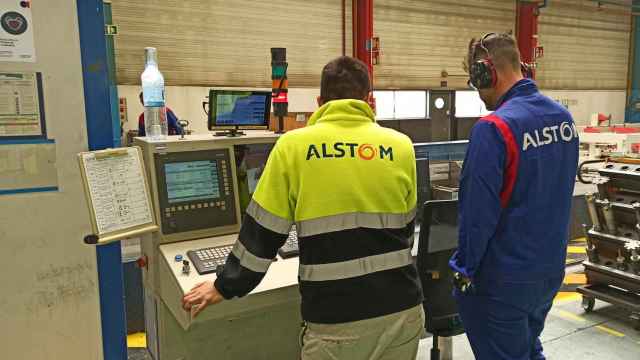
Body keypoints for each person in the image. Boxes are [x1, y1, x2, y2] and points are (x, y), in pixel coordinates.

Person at [182, 56, 424, 360]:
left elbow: (262, 234)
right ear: (369, 100)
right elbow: (404, 228)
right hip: (402, 310)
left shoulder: (293, 147)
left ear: (320, 101)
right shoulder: (401, 146)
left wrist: (224, 285)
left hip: (336, 320)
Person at [449, 33, 579, 360]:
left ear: (484, 73)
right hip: (547, 274)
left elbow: (477, 217)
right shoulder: (563, 120)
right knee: (525, 348)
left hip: (501, 283)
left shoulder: (493, 128)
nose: (478, 93)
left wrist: (462, 271)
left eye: (474, 81)